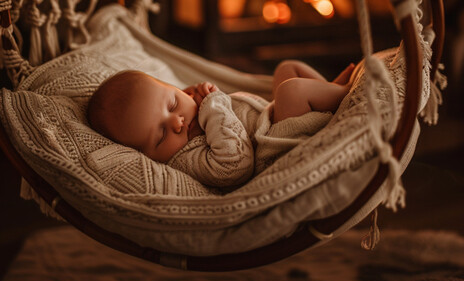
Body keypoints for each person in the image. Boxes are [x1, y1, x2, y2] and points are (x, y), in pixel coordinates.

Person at [87, 60, 354, 187]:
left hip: (268, 115)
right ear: (148, 157)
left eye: (172, 104)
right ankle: (352, 96)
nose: (178, 123)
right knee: (290, 91)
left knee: (286, 70)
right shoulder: (185, 159)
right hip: (275, 147)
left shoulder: (189, 106)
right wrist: (214, 105)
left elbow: (192, 105)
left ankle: (329, 91)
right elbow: (235, 166)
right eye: (160, 136)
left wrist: (195, 94)